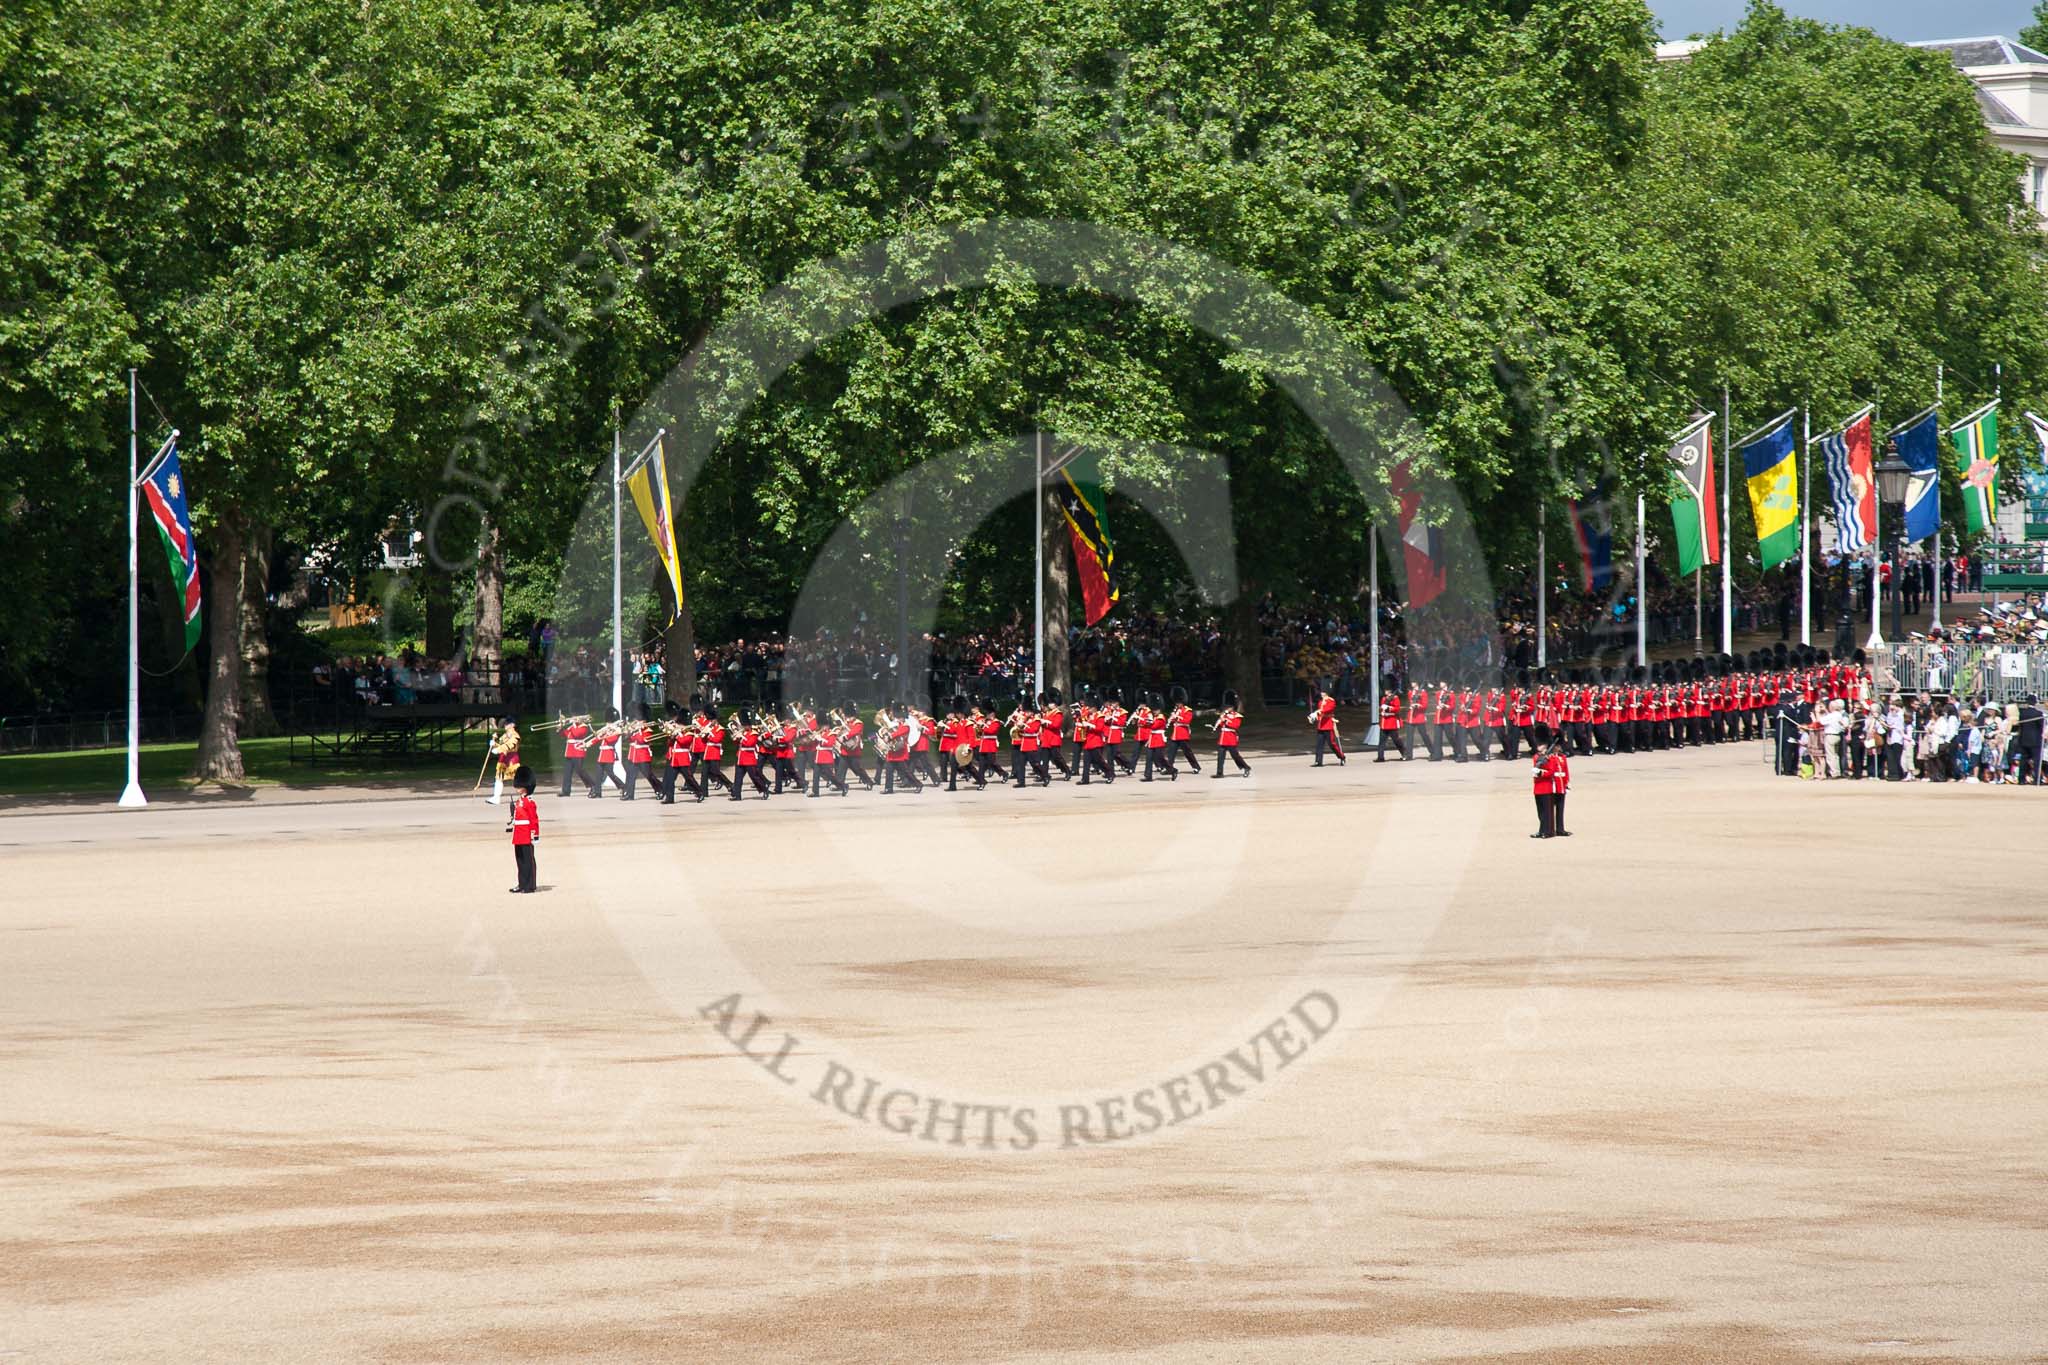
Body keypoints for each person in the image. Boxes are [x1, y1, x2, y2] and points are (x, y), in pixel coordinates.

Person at [505, 766, 539, 893]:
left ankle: (530, 885)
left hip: (526, 835)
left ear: (526, 786)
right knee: (520, 861)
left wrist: (535, 835)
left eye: (519, 786)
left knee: (528, 861)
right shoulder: (519, 802)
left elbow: (534, 820)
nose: (517, 788)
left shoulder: (529, 802)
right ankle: (522, 883)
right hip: (518, 834)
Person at [1214, 690, 1250, 777]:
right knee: (1220, 756)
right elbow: (1221, 726)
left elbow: (1235, 726)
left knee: (1235, 756)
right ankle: (1219, 773)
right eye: (1226, 707)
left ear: (1232, 707)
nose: (1226, 709)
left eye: (1228, 707)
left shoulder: (1237, 716)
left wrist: (1226, 720)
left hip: (1230, 738)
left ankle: (1246, 767)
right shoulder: (1224, 715)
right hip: (1222, 738)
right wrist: (1218, 723)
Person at [487, 716, 522, 806]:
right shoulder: (505, 735)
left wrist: (498, 749)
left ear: (512, 725)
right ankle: (496, 797)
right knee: (499, 778)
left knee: (517, 779)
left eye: (507, 723)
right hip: (503, 759)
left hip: (511, 760)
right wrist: (494, 744)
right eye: (506, 723)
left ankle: (526, 795)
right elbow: (501, 744)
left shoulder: (515, 735)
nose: (505, 725)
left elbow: (510, 745)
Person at [1376, 685, 1406, 761]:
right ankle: (1380, 757)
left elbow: (1397, 709)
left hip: (1392, 722)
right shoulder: (1384, 698)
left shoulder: (1395, 698)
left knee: (1396, 740)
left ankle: (1405, 753)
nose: (1386, 691)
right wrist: (1382, 710)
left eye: (1387, 690)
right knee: (1382, 741)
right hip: (1384, 722)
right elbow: (1381, 708)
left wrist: (1389, 708)